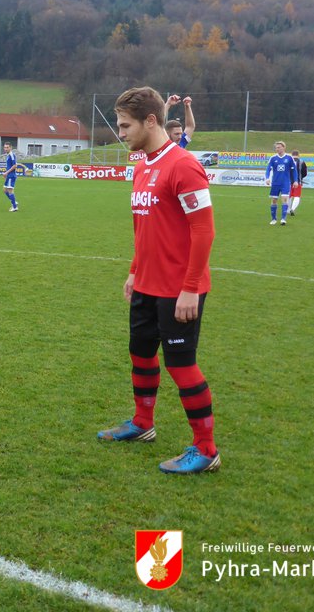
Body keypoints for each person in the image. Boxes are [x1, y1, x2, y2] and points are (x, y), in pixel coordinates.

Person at [98, 86, 220, 475]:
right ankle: (142, 424)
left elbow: (204, 231)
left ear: (150, 121)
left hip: (179, 289)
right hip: (147, 285)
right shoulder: (141, 166)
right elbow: (144, 229)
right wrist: (134, 270)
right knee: (141, 354)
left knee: (181, 366)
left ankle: (206, 449)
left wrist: (190, 286)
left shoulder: (183, 165)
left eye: (125, 125)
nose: (121, 133)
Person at [265, 141, 297, 225]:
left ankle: (283, 219)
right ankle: (274, 219)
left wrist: (295, 181)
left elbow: (294, 171)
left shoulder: (289, 158)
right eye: (276, 147)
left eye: (278, 147)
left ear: (283, 147)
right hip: (275, 183)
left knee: (285, 200)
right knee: (274, 200)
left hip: (285, 183)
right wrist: (267, 178)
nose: (277, 149)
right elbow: (268, 169)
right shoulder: (273, 158)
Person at [289, 150, 308, 215]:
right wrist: (301, 178)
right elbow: (305, 173)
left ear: (291, 154)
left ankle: (288, 210)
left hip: (288, 182)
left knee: (289, 196)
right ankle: (292, 209)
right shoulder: (302, 162)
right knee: (297, 196)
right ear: (298, 155)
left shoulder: (288, 161)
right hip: (298, 182)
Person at [1, 142, 19, 211]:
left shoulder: (11, 155)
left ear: (10, 148)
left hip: (11, 176)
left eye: (7, 147)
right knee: (5, 190)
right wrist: (6, 174)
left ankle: (14, 207)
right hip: (9, 175)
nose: (5, 149)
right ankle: (14, 202)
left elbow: (15, 166)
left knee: (10, 191)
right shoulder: (8, 155)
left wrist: (6, 173)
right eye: (5, 147)